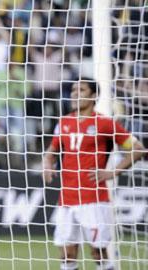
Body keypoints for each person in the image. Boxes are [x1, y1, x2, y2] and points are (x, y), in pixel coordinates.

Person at [43, 78, 145, 270]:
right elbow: (52, 150)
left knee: (98, 253)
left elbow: (138, 149)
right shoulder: (64, 122)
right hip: (66, 198)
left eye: (81, 90)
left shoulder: (105, 123)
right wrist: (47, 163)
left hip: (93, 198)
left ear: (94, 96)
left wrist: (112, 172)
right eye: (73, 89)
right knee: (67, 254)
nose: (74, 93)